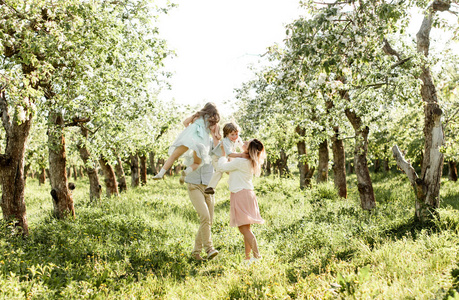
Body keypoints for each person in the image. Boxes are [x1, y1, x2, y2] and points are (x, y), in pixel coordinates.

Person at [217, 138, 266, 263]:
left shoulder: (241, 161)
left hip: (240, 193)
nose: (242, 143)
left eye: (246, 143)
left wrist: (223, 154)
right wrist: (238, 143)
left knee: (243, 229)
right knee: (246, 228)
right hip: (247, 193)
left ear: (248, 149)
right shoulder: (249, 160)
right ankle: (248, 257)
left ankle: (257, 256)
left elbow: (222, 167)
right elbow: (241, 148)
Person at [153, 102, 220, 181]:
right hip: (201, 142)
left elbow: (185, 122)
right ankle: (186, 171)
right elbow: (218, 137)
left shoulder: (197, 116)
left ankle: (160, 174)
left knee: (174, 156)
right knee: (197, 163)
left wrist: (191, 129)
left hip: (189, 138)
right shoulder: (214, 123)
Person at [185, 128, 220, 261]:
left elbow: (221, 154)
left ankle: (196, 253)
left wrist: (216, 136)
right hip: (194, 184)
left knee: (208, 220)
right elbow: (186, 124)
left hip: (209, 185)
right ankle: (209, 249)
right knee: (204, 216)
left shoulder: (213, 142)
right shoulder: (190, 141)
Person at [205, 122, 246, 195]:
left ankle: (237, 184)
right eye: (232, 134)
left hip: (228, 157)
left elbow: (242, 147)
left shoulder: (238, 138)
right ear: (226, 134)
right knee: (220, 169)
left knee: (235, 167)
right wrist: (241, 155)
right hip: (217, 158)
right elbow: (229, 153)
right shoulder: (225, 141)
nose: (235, 136)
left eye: (236, 134)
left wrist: (247, 153)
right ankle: (210, 187)